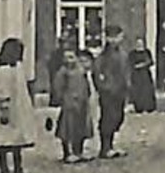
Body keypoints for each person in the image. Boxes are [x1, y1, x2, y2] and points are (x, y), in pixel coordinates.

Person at [0, 38, 38, 173]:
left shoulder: (16, 69)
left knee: (15, 140)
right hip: (6, 110)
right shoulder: (4, 71)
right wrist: (4, 107)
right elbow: (2, 90)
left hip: (16, 110)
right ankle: (5, 169)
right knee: (4, 141)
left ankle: (17, 168)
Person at [94, 25, 131, 159]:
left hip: (120, 90)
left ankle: (111, 145)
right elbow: (97, 72)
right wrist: (103, 87)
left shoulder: (123, 54)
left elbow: (126, 70)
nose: (118, 39)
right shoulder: (104, 56)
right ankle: (105, 147)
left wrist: (127, 86)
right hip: (109, 92)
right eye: (115, 37)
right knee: (108, 118)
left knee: (118, 117)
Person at [53, 49, 93, 163]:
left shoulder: (81, 71)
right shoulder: (62, 72)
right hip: (69, 103)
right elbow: (58, 87)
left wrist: (87, 95)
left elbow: (86, 84)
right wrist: (62, 99)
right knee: (67, 128)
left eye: (72, 57)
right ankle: (67, 152)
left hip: (82, 103)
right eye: (66, 57)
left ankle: (78, 151)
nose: (69, 60)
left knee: (81, 128)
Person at [129, 38, 157, 113]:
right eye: (138, 43)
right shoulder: (132, 53)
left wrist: (143, 64)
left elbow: (150, 61)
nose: (139, 45)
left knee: (147, 91)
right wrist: (139, 65)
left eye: (141, 43)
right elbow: (131, 63)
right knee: (138, 92)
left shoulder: (147, 52)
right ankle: (139, 107)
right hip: (137, 76)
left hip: (146, 75)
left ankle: (149, 107)